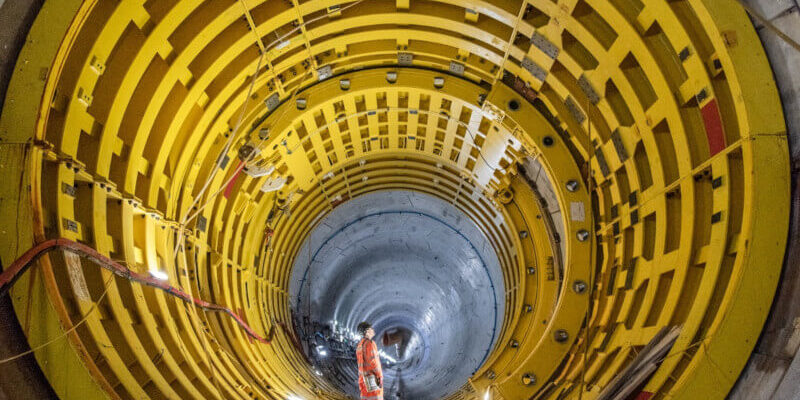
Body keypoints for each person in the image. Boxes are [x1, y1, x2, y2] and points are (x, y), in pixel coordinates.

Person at [356, 322, 383, 400]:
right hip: (372, 379)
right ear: (366, 331)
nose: (373, 330)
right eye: (371, 328)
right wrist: (379, 376)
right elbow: (374, 362)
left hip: (363, 379)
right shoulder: (370, 344)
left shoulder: (359, 345)